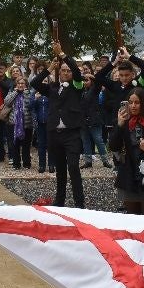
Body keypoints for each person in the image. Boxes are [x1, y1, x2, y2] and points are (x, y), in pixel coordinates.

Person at [31, 42, 86, 208]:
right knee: (60, 169)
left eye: (68, 70)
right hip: (54, 133)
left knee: (73, 167)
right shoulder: (52, 87)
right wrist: (49, 68)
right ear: (59, 72)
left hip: (71, 133)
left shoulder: (78, 86)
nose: (66, 73)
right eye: (63, 70)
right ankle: (59, 200)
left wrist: (62, 54)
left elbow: (76, 72)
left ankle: (79, 202)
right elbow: (34, 84)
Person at [108, 88, 144, 214]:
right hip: (129, 174)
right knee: (132, 220)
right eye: (130, 102)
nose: (133, 106)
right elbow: (113, 146)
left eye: (137, 102)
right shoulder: (123, 121)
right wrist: (119, 125)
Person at [3, 68, 36, 170]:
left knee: (26, 145)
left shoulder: (30, 93)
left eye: (23, 83)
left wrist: (26, 93)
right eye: (19, 83)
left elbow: (30, 105)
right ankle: (16, 164)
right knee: (15, 145)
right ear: (16, 84)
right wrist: (15, 93)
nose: (21, 85)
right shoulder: (12, 92)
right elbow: (6, 102)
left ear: (26, 85)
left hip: (27, 123)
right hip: (14, 123)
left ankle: (26, 163)